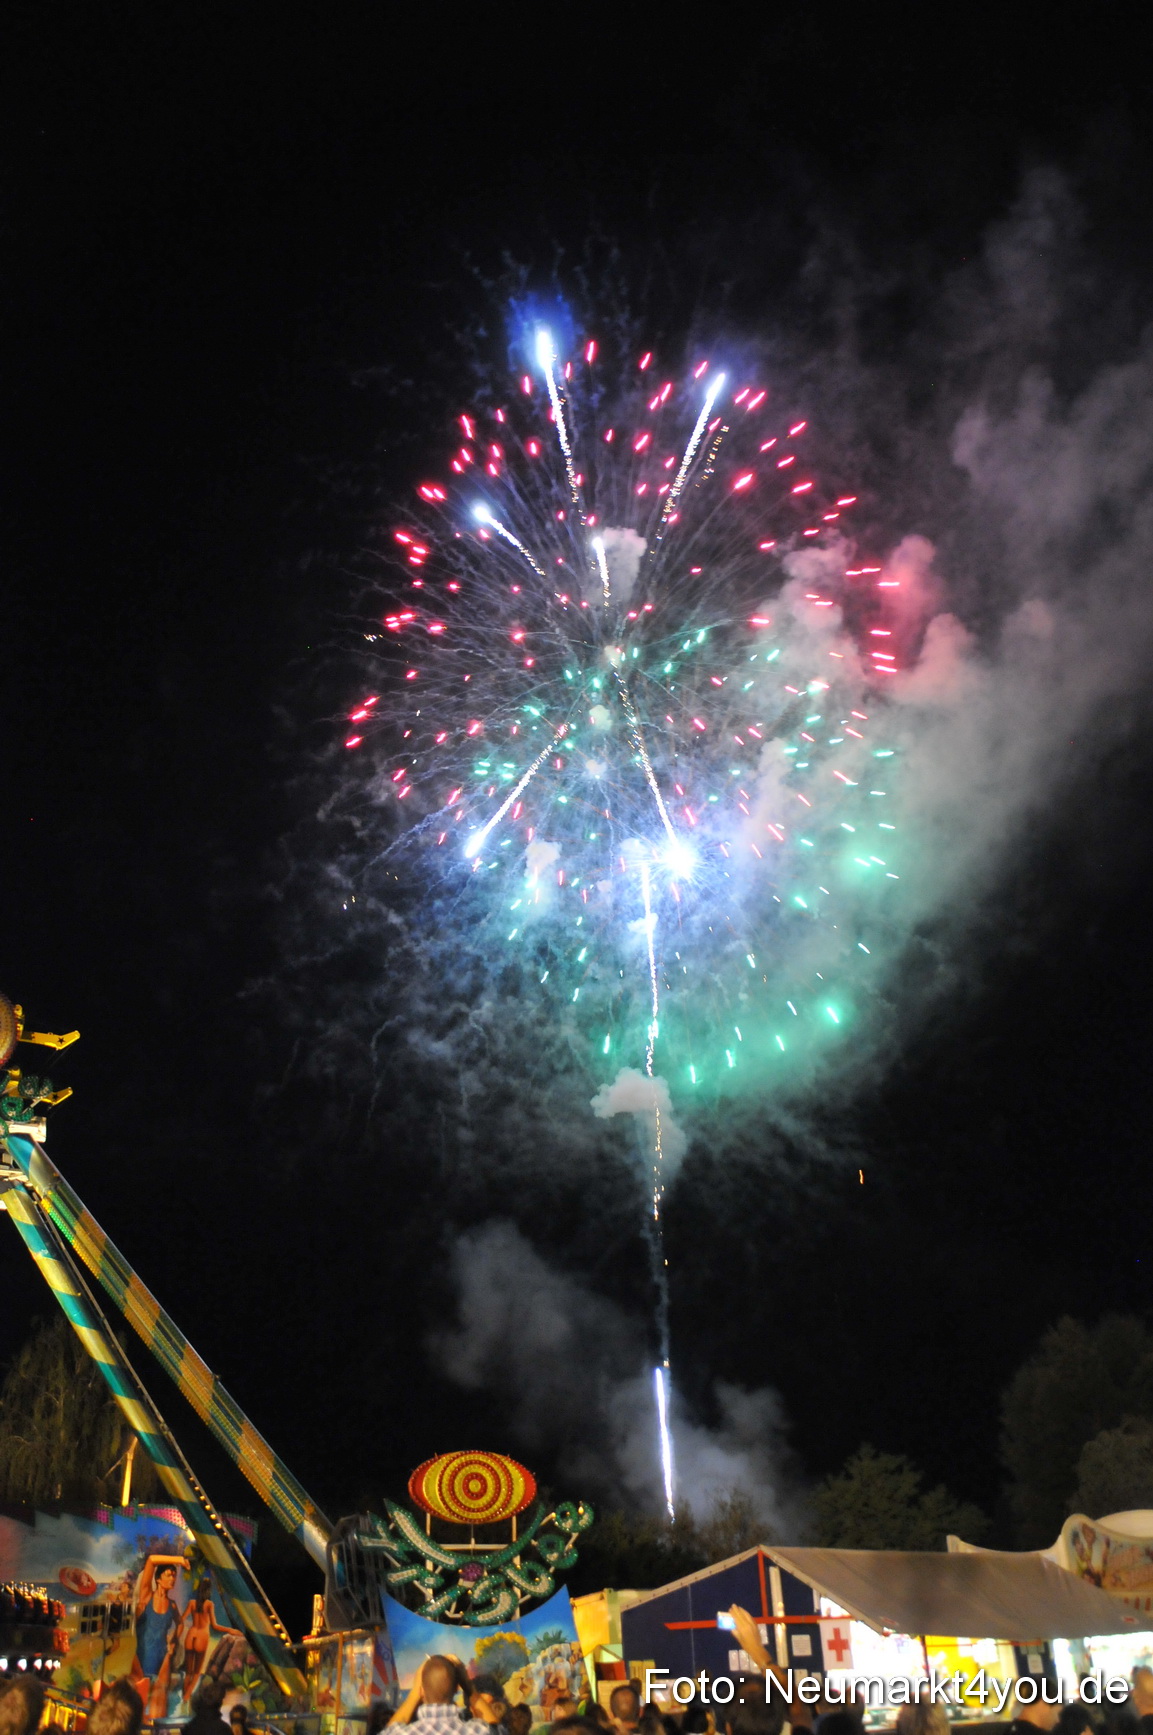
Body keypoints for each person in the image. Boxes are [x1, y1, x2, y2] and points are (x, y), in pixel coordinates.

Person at [131, 1554, 185, 1717]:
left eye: (174, 1575)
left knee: (159, 1702)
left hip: (162, 1657)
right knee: (138, 1700)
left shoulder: (172, 1605)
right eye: (168, 1575)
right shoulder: (147, 1596)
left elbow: (180, 1624)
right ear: (158, 1579)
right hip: (143, 1657)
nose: (172, 1579)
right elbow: (151, 1561)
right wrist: (178, 1560)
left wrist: (174, 1638)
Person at [388, 1656, 491, 1732]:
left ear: (421, 1691)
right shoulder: (478, 1731)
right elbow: (494, 1725)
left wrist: (413, 1695)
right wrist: (468, 1688)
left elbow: (390, 1730)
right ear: (456, 1688)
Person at [183, 1583, 242, 1701]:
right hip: (202, 1637)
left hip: (191, 1635)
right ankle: (186, 1699)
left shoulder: (192, 1603)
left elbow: (182, 1619)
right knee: (196, 1673)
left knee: (188, 1672)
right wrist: (230, 1630)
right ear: (208, 1592)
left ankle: (184, 1697)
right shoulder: (209, 1605)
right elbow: (215, 1626)